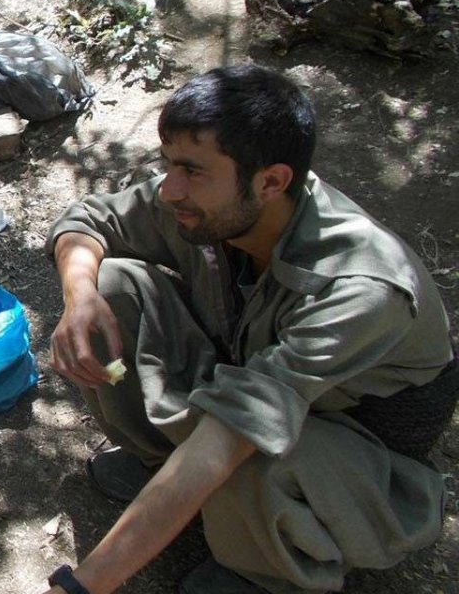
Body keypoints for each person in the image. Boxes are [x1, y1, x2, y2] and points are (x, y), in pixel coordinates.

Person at [39, 65, 456, 594]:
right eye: (168, 165)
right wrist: (79, 295)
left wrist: (83, 586)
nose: (169, 190)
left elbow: (230, 437)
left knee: (257, 456)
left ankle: (267, 571)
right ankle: (164, 469)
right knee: (109, 286)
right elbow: (90, 221)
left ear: (271, 182)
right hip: (250, 384)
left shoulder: (361, 290)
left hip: (353, 451)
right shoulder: (218, 204)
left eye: (193, 171)